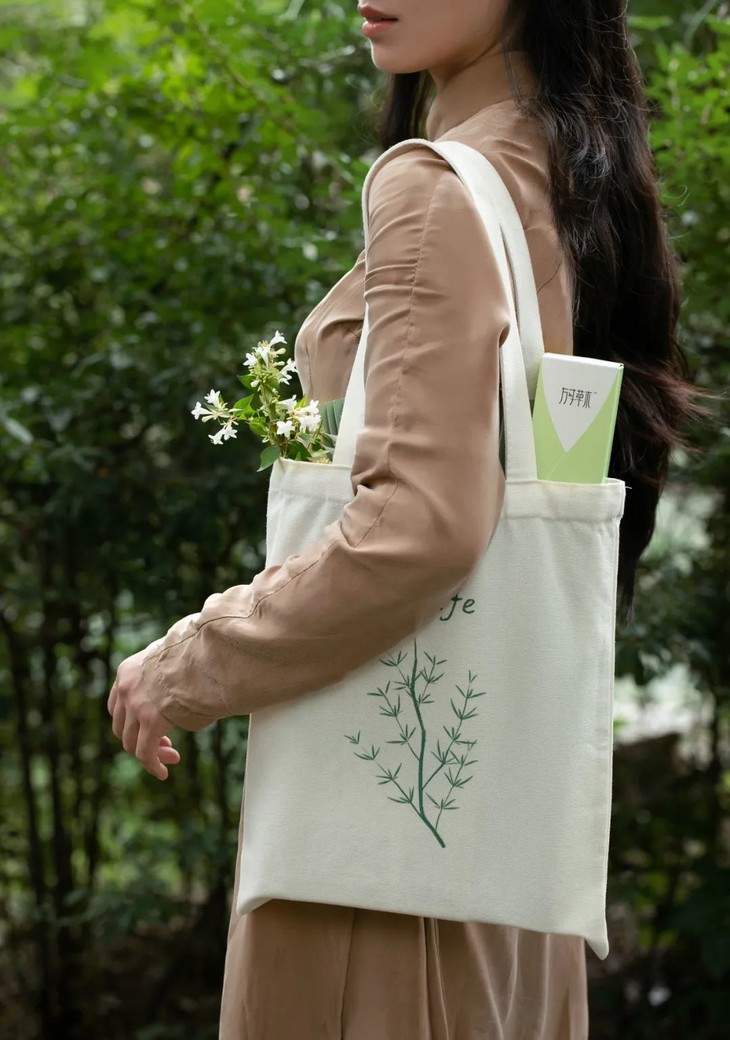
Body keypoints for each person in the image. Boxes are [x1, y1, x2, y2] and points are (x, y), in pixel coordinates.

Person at [107, 1, 702, 1036]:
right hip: (506, 867)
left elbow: (418, 528)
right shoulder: (566, 170)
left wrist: (192, 657)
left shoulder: (438, 187)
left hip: (374, 880)